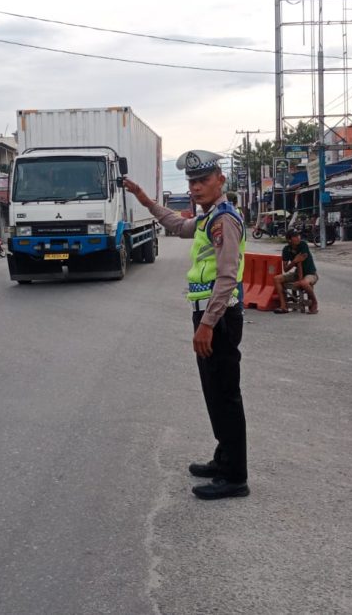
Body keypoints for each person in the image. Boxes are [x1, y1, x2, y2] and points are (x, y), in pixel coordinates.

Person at [122, 149, 250, 501]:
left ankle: (235, 476)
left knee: (225, 395)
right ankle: (223, 458)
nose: (195, 188)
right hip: (210, 315)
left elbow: (226, 278)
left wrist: (207, 324)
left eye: (202, 181)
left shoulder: (225, 220)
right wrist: (144, 198)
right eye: (191, 182)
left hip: (219, 317)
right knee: (214, 393)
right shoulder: (209, 218)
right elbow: (177, 225)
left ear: (220, 180)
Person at [272, 229, 319, 314]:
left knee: (304, 283)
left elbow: (300, 262)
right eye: (295, 236)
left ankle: (314, 302)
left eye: (298, 235)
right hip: (297, 273)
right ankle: (283, 306)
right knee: (277, 279)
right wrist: (294, 261)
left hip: (310, 273)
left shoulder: (303, 245)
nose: (298, 238)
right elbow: (285, 268)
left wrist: (300, 280)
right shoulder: (286, 249)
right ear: (289, 240)